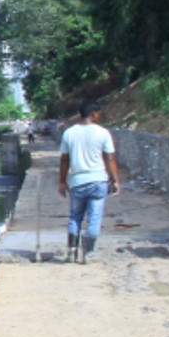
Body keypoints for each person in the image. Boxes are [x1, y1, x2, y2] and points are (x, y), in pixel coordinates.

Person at [56, 102, 120, 263]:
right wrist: (115, 180)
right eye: (98, 114)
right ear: (93, 114)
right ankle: (88, 253)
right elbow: (110, 158)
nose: (99, 117)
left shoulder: (69, 133)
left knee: (75, 217)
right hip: (98, 181)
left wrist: (62, 181)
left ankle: (71, 250)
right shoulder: (103, 133)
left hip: (77, 182)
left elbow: (64, 160)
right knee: (94, 218)